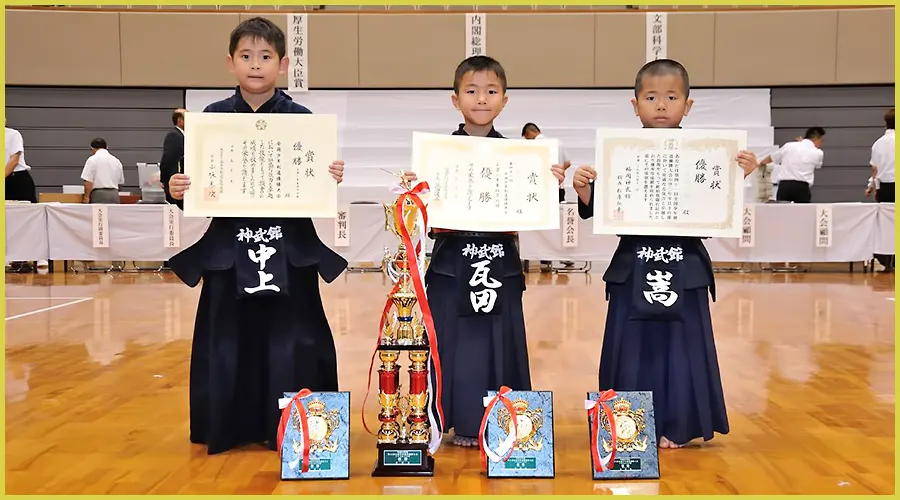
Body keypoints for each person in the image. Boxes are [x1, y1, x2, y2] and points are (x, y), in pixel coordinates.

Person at [166, 17, 348, 455]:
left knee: (295, 339)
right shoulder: (211, 119)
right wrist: (179, 190)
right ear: (230, 63)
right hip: (229, 249)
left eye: (265, 57)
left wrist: (329, 175)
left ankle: (298, 425)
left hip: (289, 249)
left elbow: (313, 184)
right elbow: (194, 190)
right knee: (228, 338)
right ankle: (229, 425)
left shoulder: (301, 119)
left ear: (282, 65)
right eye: (246, 56)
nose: (255, 65)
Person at [572, 59, 759, 449]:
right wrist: (586, 191)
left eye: (671, 97)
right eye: (651, 97)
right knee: (633, 346)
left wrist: (735, 176)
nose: (661, 105)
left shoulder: (708, 156)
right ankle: (626, 424)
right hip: (633, 265)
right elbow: (603, 211)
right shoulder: (619, 153)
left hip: (684, 264)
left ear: (687, 106)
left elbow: (714, 206)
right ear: (635, 103)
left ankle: (679, 422)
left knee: (682, 348)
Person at [403, 56, 565, 447]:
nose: (481, 99)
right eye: (471, 91)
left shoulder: (518, 156)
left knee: (499, 340)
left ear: (505, 101)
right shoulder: (436, 155)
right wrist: (413, 191)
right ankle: (452, 419)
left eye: (491, 91)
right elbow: (419, 216)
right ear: (455, 99)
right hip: (450, 264)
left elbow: (536, 205)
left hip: (500, 262)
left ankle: (504, 418)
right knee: (451, 341)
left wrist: (550, 183)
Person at [758, 127, 826, 203]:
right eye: (821, 140)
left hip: (785, 186)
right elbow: (818, 165)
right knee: (803, 212)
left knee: (781, 212)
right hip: (802, 187)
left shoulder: (789, 146)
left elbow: (772, 157)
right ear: (817, 138)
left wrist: (761, 163)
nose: (821, 143)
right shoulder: (818, 153)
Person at [866, 108, 895, 271]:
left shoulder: (878, 143)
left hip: (885, 188)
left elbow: (875, 170)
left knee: (886, 225)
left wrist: (871, 186)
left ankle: (888, 261)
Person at [80, 138, 124, 204]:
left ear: (92, 148)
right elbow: (120, 182)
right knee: (113, 214)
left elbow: (88, 181)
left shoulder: (92, 159)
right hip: (114, 194)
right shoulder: (116, 161)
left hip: (99, 195)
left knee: (99, 214)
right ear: (107, 147)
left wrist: (86, 197)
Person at [160, 108, 186, 205]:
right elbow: (168, 159)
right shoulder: (174, 135)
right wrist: (165, 180)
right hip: (174, 183)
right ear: (180, 121)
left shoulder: (182, 136)